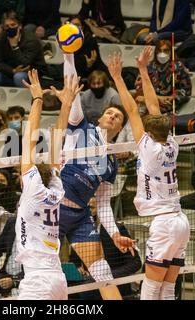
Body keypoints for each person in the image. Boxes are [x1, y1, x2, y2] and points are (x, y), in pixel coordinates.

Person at [108, 46, 190, 300]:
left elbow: (133, 110)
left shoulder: (149, 149)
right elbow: (154, 108)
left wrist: (118, 77)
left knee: (152, 287)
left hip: (164, 223)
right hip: (180, 221)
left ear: (148, 132)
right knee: (167, 287)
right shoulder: (171, 144)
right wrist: (143, 69)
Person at [58, 52, 135, 300]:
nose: (112, 117)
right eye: (109, 113)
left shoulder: (111, 164)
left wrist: (114, 234)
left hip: (79, 217)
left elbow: (102, 205)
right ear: (100, 117)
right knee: (44, 273)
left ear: (120, 128)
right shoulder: (81, 128)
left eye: (118, 117)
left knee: (103, 273)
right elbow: (72, 91)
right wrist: (68, 55)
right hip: (53, 209)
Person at [14, 69, 77, 300]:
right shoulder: (55, 189)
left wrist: (37, 98)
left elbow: (29, 137)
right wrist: (66, 106)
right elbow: (57, 143)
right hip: (57, 278)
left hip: (38, 280)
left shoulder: (33, 188)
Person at [69, 197, 142, 299]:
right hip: (89, 285)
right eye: (85, 208)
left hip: (117, 283)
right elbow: (74, 260)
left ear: (101, 210)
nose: (88, 212)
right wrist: (78, 267)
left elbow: (136, 263)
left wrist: (105, 275)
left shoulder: (117, 230)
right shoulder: (80, 232)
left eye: (91, 208)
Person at [0, 11, 48, 88]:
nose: (10, 28)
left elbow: (25, 64)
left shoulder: (31, 40)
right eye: (7, 26)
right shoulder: (2, 38)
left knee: (19, 77)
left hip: (32, 74)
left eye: (13, 25)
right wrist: (13, 71)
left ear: (20, 26)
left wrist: (15, 46)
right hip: (12, 72)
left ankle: (25, 99)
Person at [134, 40, 192, 114]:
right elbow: (139, 90)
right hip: (148, 101)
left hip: (168, 103)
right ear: (156, 52)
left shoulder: (179, 68)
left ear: (171, 52)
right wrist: (158, 98)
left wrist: (169, 98)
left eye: (166, 51)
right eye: (160, 50)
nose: (162, 54)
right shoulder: (148, 67)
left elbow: (186, 91)